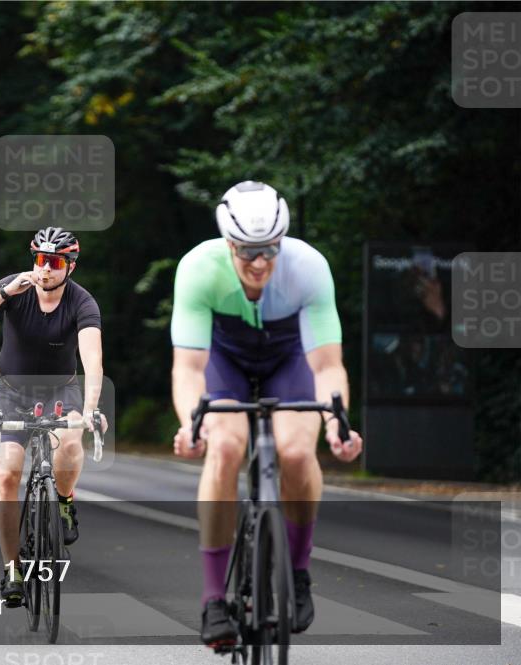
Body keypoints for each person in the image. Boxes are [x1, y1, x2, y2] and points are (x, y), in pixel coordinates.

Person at [169, 181, 363, 647]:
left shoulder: (308, 267)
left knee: (297, 453)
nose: (260, 262)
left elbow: (327, 365)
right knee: (225, 448)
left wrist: (338, 424)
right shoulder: (198, 267)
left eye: (270, 249)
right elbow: (189, 369)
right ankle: (215, 599)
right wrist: (191, 423)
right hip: (226, 361)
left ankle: (297, 573)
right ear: (229, 242)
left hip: (289, 359)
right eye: (249, 251)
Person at [0, 226, 107, 608]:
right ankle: (12, 568)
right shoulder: (15, 287)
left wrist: (90, 411)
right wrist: (5, 293)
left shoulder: (82, 302)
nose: (45, 270)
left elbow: (92, 362)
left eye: (55, 263)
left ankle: (65, 499)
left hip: (61, 388)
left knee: (71, 443)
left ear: (70, 267)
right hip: (10, 389)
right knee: (7, 473)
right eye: (40, 260)